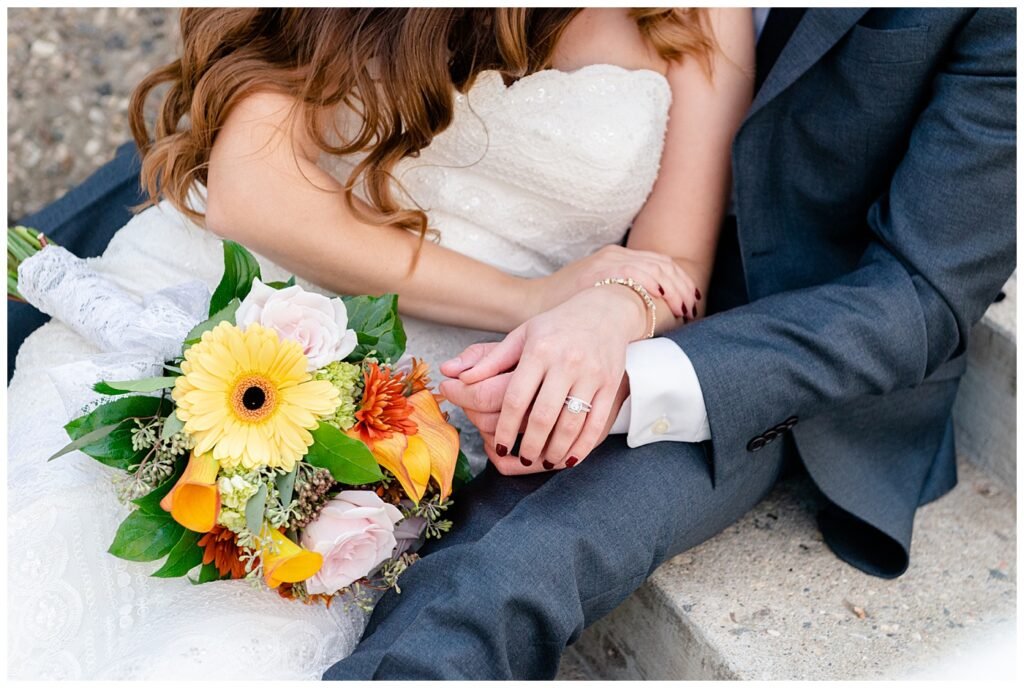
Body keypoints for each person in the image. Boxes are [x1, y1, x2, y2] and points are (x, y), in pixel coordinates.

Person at [8, 8, 761, 679]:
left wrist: (611, 309)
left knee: (229, 652)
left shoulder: (698, 17)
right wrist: (532, 302)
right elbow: (251, 192)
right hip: (203, 304)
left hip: (404, 420)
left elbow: (674, 269)